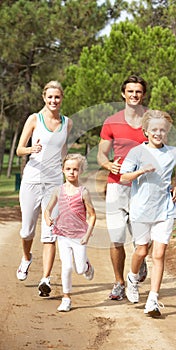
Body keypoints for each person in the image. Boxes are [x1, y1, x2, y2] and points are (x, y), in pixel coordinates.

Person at [120, 109, 176, 317]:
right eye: (154, 130)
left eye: (163, 130)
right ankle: (132, 277)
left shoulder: (172, 152)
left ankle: (153, 300)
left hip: (165, 209)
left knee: (159, 254)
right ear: (146, 131)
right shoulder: (137, 152)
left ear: (167, 132)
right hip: (141, 210)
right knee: (141, 251)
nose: (159, 133)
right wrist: (141, 171)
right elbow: (123, 178)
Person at [16, 80, 73, 297]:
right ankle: (26, 257)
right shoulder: (34, 119)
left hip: (53, 184)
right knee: (27, 230)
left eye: (57, 97)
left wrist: (69, 172)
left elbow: (63, 150)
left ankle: (45, 279)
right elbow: (20, 150)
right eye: (50, 97)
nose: (53, 101)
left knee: (50, 232)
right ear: (44, 97)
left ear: (62, 98)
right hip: (31, 180)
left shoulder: (67, 123)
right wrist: (33, 148)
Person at [97, 75, 149, 301]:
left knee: (141, 237)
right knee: (117, 237)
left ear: (143, 94)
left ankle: (139, 260)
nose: (134, 95)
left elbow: (162, 149)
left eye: (138, 92)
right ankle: (119, 283)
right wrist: (108, 164)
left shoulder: (151, 120)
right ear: (123, 94)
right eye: (130, 91)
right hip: (117, 186)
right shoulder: (112, 121)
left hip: (143, 187)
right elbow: (101, 153)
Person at [44, 153, 96, 312]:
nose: (71, 172)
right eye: (68, 169)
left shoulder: (83, 192)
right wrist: (47, 218)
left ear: (80, 171)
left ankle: (86, 266)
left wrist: (87, 235)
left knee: (79, 269)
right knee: (66, 267)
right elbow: (48, 209)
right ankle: (66, 298)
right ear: (63, 170)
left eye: (75, 169)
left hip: (79, 237)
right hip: (62, 235)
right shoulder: (57, 191)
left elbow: (93, 215)